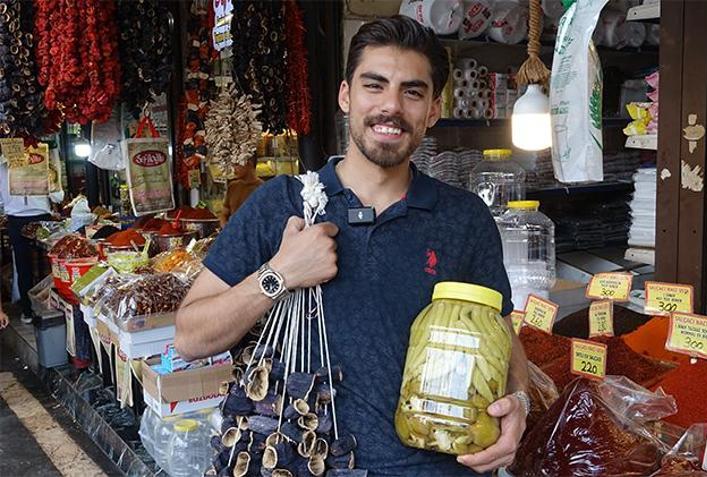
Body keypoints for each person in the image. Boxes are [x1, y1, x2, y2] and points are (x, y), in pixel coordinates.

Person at [176, 16, 529, 475]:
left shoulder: (463, 218)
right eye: (374, 86)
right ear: (346, 96)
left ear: (433, 110)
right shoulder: (282, 203)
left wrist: (519, 399)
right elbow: (189, 337)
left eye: (412, 92)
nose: (391, 107)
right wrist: (279, 275)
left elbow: (500, 329)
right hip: (304, 462)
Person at [0, 160, 63, 324]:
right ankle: (46, 308)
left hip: (19, 219)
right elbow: (58, 196)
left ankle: (30, 311)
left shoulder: (3, 167)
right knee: (49, 265)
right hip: (38, 218)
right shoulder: (44, 162)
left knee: (25, 267)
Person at [220, 155, 264, 226]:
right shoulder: (232, 186)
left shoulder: (263, 188)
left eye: (237, 165)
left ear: (249, 163)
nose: (234, 169)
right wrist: (226, 229)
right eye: (233, 165)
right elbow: (224, 214)